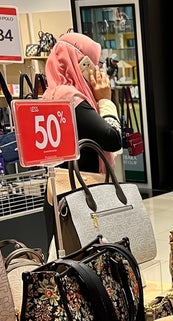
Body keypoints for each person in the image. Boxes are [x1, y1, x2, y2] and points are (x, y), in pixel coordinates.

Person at [42, 32, 122, 255]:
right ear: (79, 63)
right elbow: (113, 139)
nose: (97, 69)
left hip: (65, 191)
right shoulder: (69, 97)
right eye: (92, 63)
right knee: (87, 258)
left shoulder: (52, 93)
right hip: (81, 192)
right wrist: (105, 100)